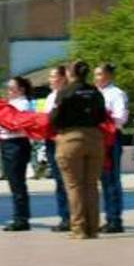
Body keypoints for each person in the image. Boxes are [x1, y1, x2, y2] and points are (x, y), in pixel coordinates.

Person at [50, 60, 107, 239]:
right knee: (91, 185)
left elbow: (55, 118)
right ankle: (93, 228)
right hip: (94, 138)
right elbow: (102, 116)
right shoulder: (95, 91)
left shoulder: (65, 92)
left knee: (74, 186)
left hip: (71, 138)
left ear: (70, 73)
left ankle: (79, 229)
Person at [94, 63, 128, 233]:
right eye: (95, 75)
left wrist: (104, 117)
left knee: (112, 179)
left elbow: (121, 117)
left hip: (112, 137)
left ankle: (115, 219)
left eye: (99, 74)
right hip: (98, 138)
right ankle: (109, 217)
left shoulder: (116, 93)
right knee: (104, 180)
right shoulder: (96, 93)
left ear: (108, 76)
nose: (96, 78)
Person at [0, 76, 34, 231]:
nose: (9, 91)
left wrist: (2, 121)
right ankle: (19, 216)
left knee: (17, 182)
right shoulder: (9, 104)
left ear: (21, 89)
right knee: (13, 182)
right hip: (6, 142)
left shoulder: (24, 104)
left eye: (12, 88)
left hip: (17, 143)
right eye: (8, 88)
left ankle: (21, 218)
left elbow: (18, 124)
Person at [42, 66, 70, 231]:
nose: (50, 80)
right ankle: (64, 216)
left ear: (63, 78)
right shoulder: (50, 96)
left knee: (66, 180)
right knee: (59, 181)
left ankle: (71, 217)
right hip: (51, 141)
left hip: (62, 139)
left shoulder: (67, 95)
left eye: (53, 77)